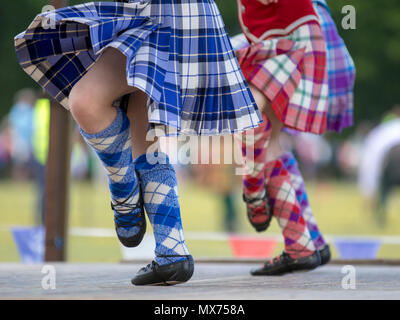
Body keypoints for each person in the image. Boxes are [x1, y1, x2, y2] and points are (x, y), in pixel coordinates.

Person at [14, 0, 261, 285]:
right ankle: (173, 255)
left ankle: (124, 192)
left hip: (166, 13)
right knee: (145, 140)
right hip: (148, 12)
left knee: (87, 102)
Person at [234, 0, 354, 276]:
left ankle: (254, 195)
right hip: (286, 39)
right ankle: (306, 241)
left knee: (249, 114)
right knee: (270, 140)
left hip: (291, 42)